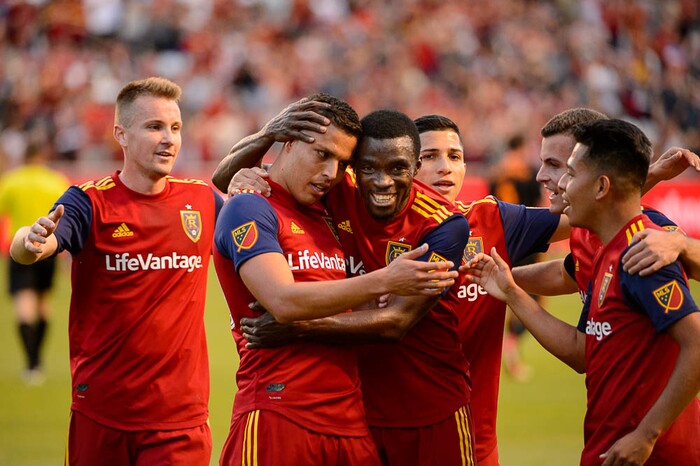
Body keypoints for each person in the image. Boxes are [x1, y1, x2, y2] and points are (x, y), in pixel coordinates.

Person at [213, 105, 476, 466]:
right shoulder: (296, 202)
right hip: (282, 409)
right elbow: (223, 182)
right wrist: (266, 136)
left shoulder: (444, 225)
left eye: (397, 168)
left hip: (413, 407)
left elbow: (396, 321)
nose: (330, 172)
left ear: (415, 170)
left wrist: (300, 328)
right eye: (324, 156)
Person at [10, 77, 222, 466]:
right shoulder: (88, 201)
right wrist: (30, 240)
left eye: (175, 128)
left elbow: (257, 237)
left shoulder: (203, 199)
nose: (169, 139)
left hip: (179, 421)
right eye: (154, 126)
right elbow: (31, 247)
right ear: (120, 134)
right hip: (102, 412)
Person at [465, 118, 700, 466]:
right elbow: (582, 349)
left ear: (600, 183)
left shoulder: (645, 249)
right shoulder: (600, 246)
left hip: (651, 453)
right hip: (608, 447)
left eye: (565, 170)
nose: (550, 179)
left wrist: (646, 435)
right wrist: (509, 287)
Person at [412, 114, 565, 465]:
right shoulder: (369, 226)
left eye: (454, 156)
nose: (445, 167)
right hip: (385, 438)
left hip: (474, 444)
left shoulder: (492, 220)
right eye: (430, 156)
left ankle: (513, 351)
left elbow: (595, 210)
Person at [512, 108, 700, 300]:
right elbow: (562, 275)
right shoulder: (582, 229)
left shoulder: (645, 232)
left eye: (555, 165)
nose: (539, 176)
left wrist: (681, 244)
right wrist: (500, 278)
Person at [0, 142, 70, 384]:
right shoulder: (55, 181)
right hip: (48, 251)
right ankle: (38, 361)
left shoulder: (12, 180)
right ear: (43, 155)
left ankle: (31, 363)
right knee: (42, 304)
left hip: (21, 249)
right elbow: (64, 220)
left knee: (24, 304)